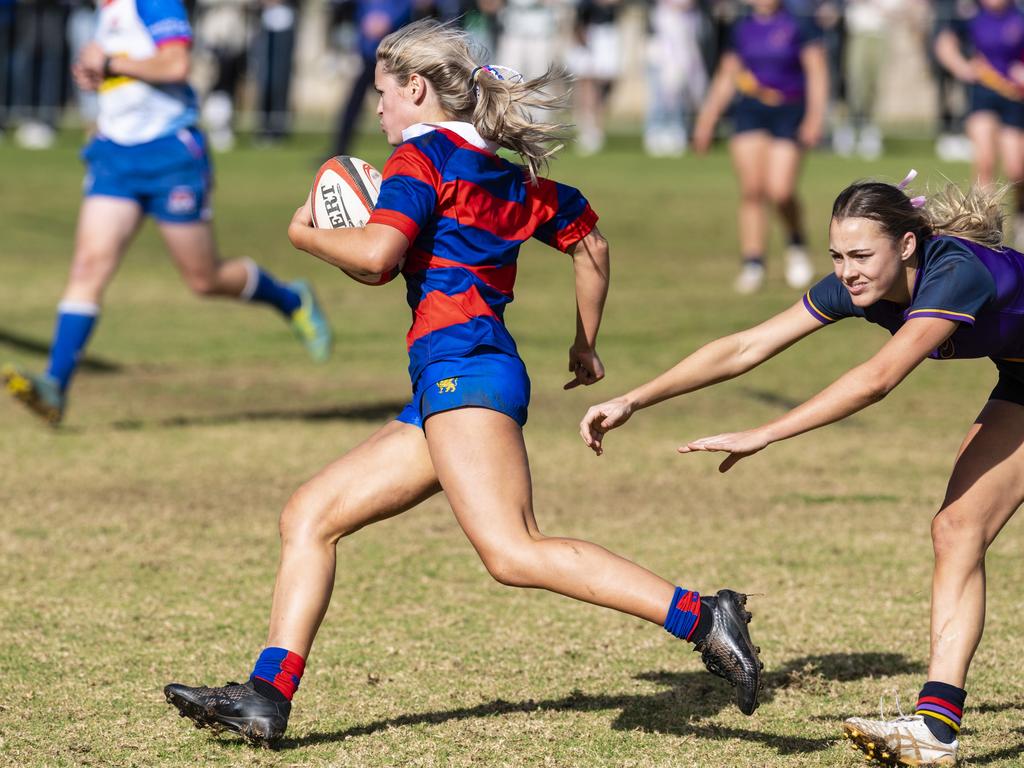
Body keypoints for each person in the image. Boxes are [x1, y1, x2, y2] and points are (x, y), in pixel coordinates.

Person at [163, 18, 764, 748]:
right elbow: (591, 243)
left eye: (384, 94)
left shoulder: (420, 160)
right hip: (457, 379)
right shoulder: (509, 176)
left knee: (513, 551)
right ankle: (267, 694)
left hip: (464, 374)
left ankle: (702, 616)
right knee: (310, 515)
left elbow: (379, 257)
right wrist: (586, 345)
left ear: (415, 89)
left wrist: (305, 236)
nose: (378, 110)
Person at [580, 169, 1024, 767]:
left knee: (958, 529)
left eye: (862, 255)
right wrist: (635, 398)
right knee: (957, 529)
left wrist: (766, 431)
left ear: (907, 245)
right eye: (837, 255)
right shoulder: (862, 285)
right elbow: (747, 346)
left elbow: (877, 380)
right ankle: (935, 730)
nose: (847, 271)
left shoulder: (955, 273)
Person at [2, 0, 332, 426]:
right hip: (115, 157)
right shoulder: (107, 11)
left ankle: (292, 299)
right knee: (88, 267)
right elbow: (126, 72)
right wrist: (97, 74)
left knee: (204, 277)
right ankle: (55, 385)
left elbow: (176, 64)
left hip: (170, 156)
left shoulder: (152, 2)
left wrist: (110, 61)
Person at [693, 0, 828, 294]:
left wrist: (815, 118)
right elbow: (727, 76)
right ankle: (753, 262)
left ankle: (795, 242)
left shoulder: (799, 24)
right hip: (750, 111)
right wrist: (707, 120)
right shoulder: (742, 28)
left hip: (789, 111)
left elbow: (817, 73)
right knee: (752, 189)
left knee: (780, 190)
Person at [935, 0, 1024, 250]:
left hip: (1015, 98)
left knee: (1017, 170)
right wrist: (961, 67)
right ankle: (986, 229)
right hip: (981, 95)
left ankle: (1020, 217)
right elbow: (944, 43)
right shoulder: (969, 14)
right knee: (984, 160)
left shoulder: (1019, 15)